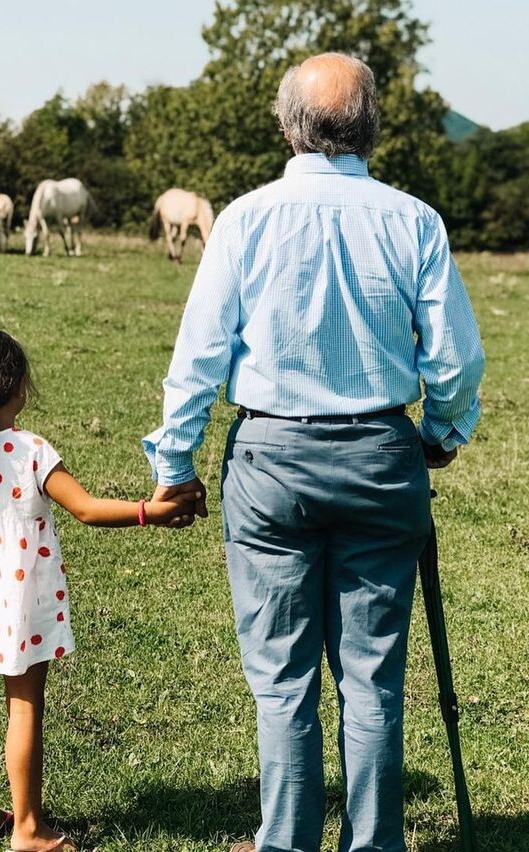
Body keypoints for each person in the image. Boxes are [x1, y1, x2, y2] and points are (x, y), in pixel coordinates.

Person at [143, 52, 485, 852]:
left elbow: (198, 356)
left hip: (269, 461)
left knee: (282, 681)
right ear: (369, 127)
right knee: (373, 679)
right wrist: (440, 432)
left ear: (288, 126)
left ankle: (287, 844)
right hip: (379, 456)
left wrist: (174, 465)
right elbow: (457, 360)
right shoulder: (413, 220)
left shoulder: (245, 219)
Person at [0, 321, 197, 852]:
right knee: (23, 704)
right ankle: (28, 828)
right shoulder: (30, 451)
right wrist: (152, 511)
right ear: (20, 387)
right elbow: (88, 509)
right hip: (20, 604)